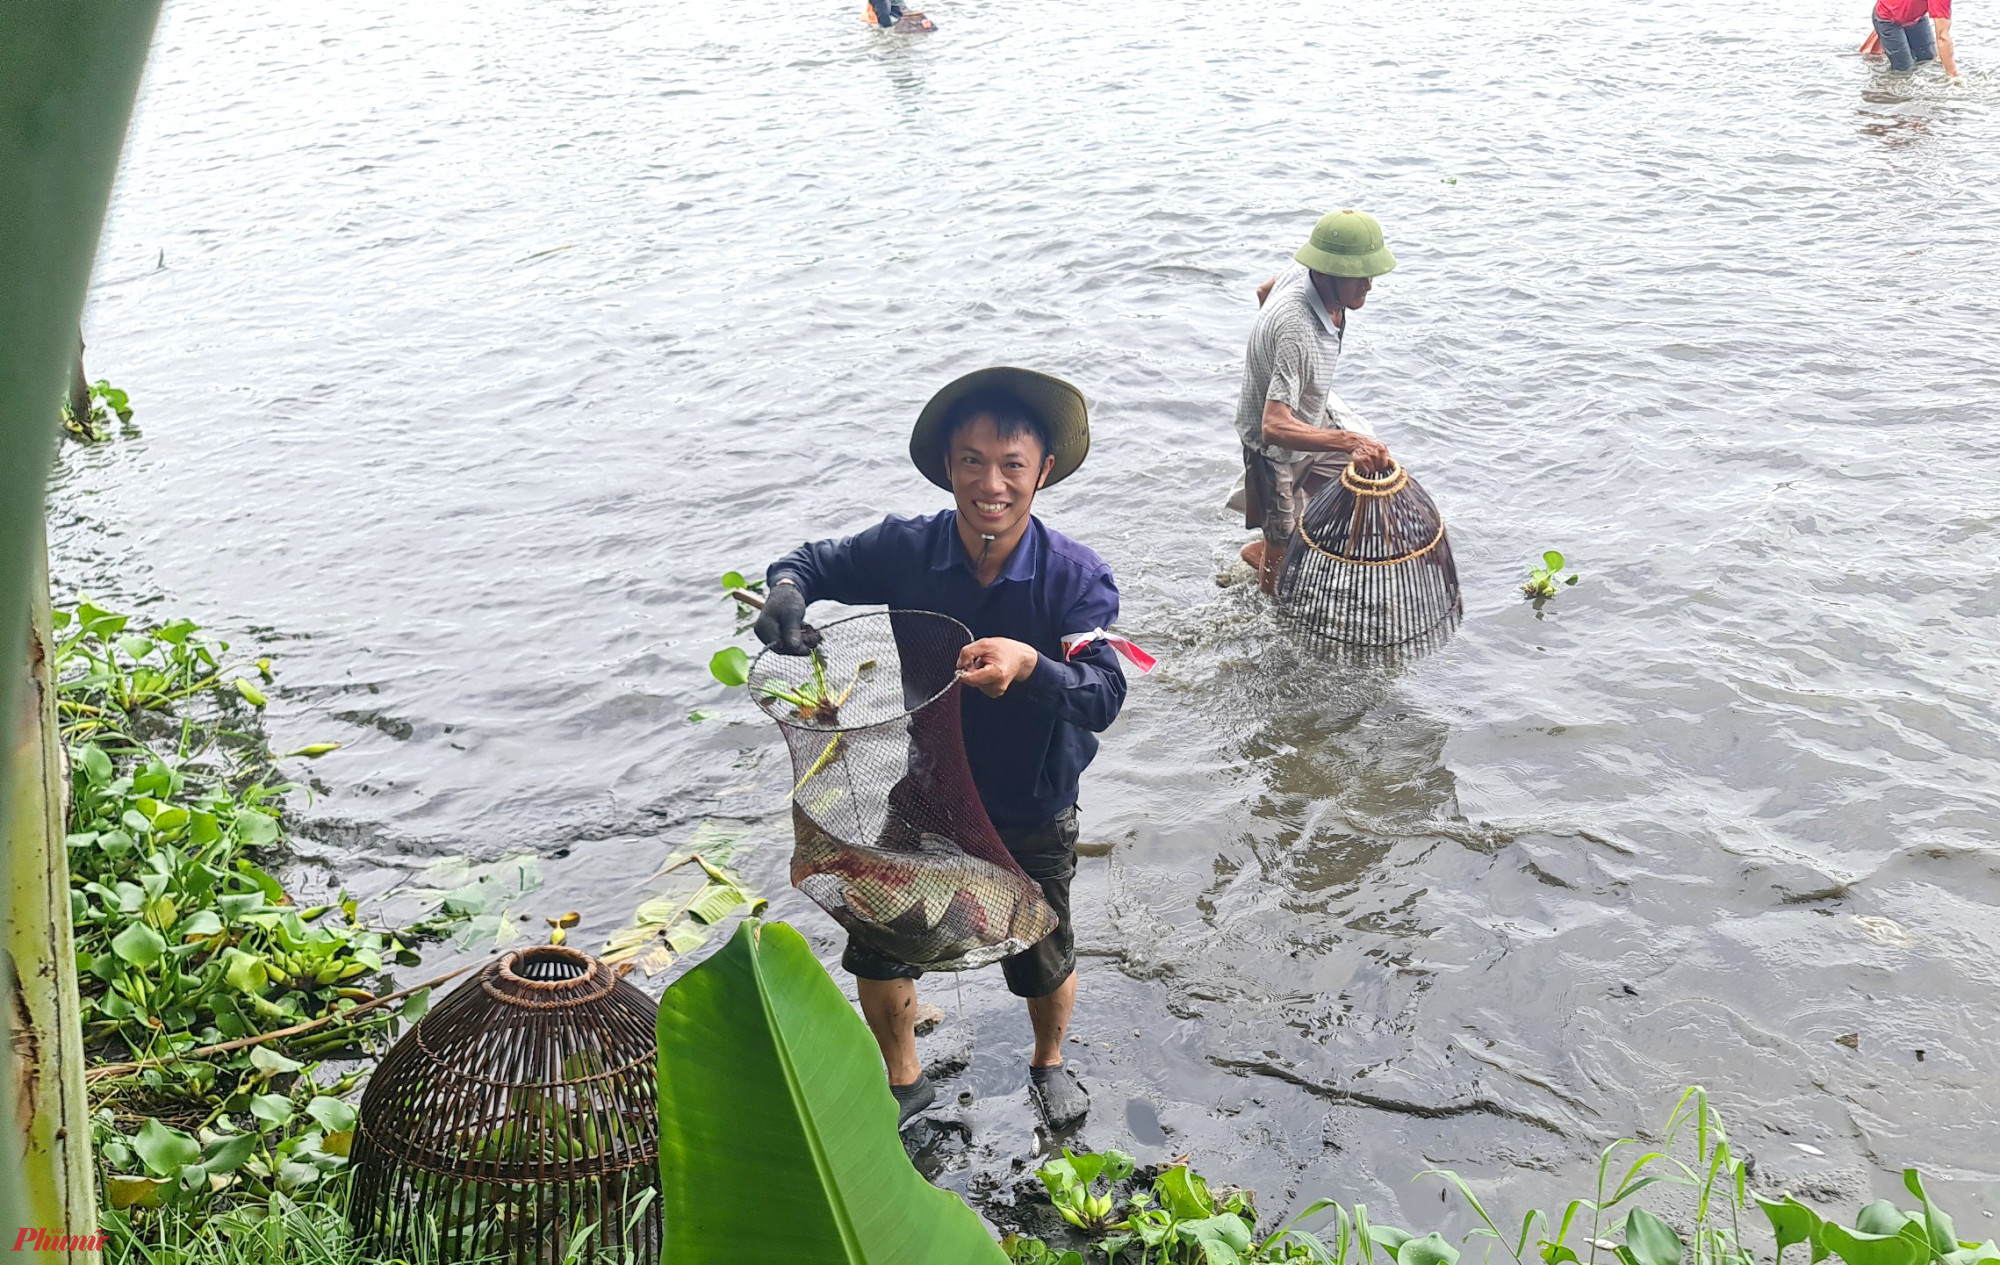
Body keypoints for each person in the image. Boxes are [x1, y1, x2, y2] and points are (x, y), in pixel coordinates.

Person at [753, 366, 1129, 1132]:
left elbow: (1104, 694)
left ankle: (1048, 1061)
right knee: (880, 942)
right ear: (949, 466)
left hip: (1032, 796)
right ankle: (903, 1078)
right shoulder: (905, 548)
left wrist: (1029, 666)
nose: (992, 484)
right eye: (972, 462)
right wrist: (786, 591)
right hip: (926, 787)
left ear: (1043, 472)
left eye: (1012, 465)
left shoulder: (1076, 578)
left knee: (1043, 950)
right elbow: (811, 563)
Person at [1231, 209, 1399, 594]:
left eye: (1370, 274)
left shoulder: (1305, 272)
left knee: (1366, 476)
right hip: (1271, 445)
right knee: (1282, 545)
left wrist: (1273, 357)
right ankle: (1268, 574)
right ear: (1324, 275)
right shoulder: (1297, 328)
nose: (1369, 286)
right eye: (1359, 277)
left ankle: (1294, 545)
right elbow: (1273, 426)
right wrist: (1349, 440)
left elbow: (1263, 290)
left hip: (1307, 415)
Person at [1861, 0, 1961, 77]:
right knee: (1904, 71)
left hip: (1915, 16)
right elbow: (1943, 37)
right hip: (1887, 18)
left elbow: (1942, 34)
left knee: (1929, 59)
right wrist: (1954, 77)